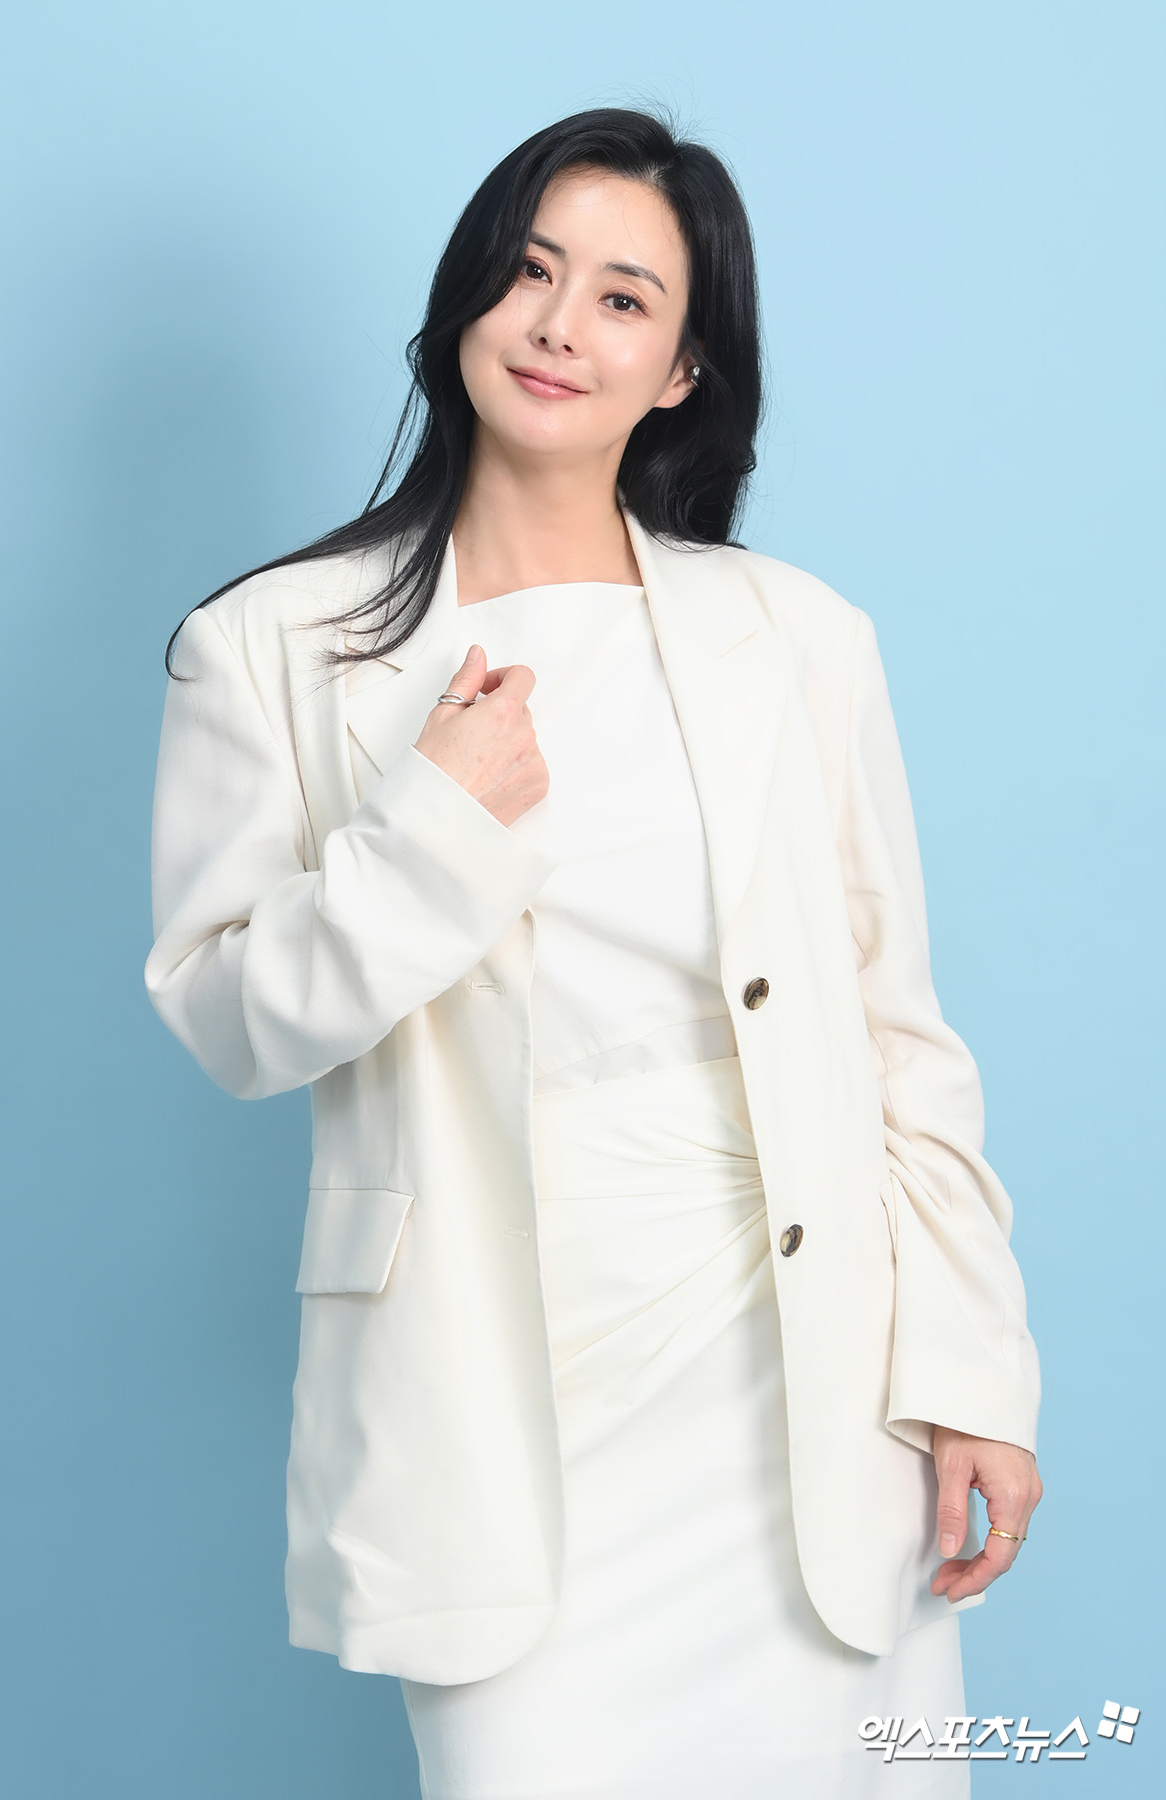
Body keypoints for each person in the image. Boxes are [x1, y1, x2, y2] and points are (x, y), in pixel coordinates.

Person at [145, 108, 1043, 1799]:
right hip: (501, 1394)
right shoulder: (269, 644)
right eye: (532, 272)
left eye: (625, 298)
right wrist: (436, 829)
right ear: (466, 301)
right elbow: (232, 1020)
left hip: (807, 1374)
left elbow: (898, 1038)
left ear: (685, 369)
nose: (561, 326)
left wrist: (973, 1373)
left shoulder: (797, 636)